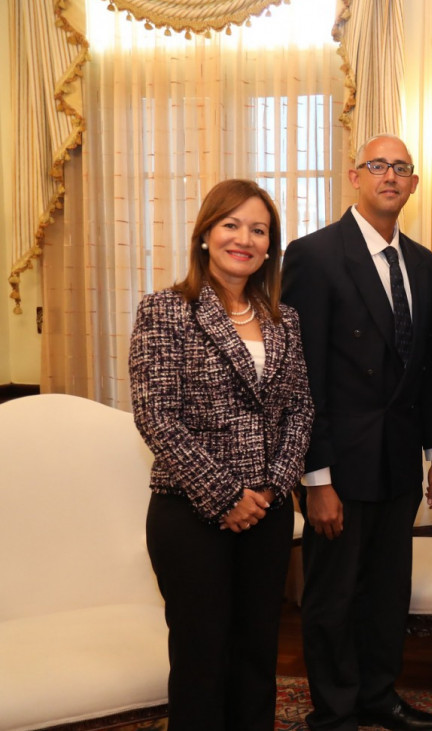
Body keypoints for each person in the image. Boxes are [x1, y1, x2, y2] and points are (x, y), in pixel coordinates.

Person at [128, 178, 314, 730]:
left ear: (269, 246)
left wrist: (273, 488)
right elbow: (155, 414)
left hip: (270, 512)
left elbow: (301, 409)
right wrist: (227, 494)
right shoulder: (165, 309)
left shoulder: (286, 320)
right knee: (201, 659)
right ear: (206, 234)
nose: (245, 239)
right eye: (232, 224)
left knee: (257, 656)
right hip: (191, 515)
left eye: (259, 230)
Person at [282, 134, 432, 731]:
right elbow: (303, 378)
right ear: (356, 175)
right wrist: (315, 478)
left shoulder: (424, 261)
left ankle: (381, 695)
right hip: (340, 463)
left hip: (401, 459)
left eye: (401, 168)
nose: (390, 176)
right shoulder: (314, 255)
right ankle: (335, 710)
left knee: (387, 591)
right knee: (333, 594)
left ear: (412, 184)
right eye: (378, 165)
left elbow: (427, 368)